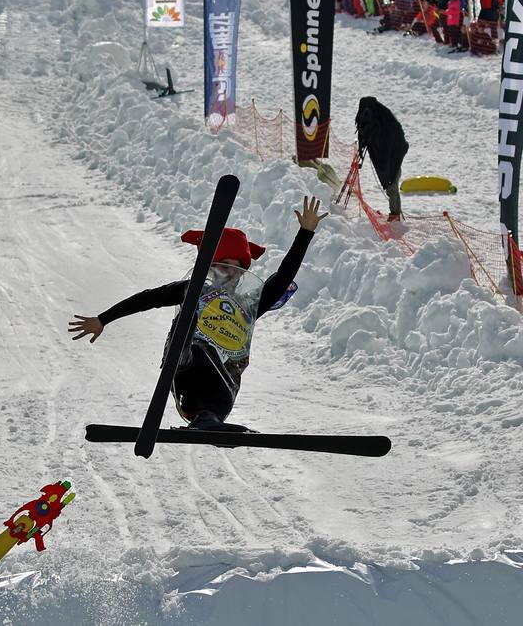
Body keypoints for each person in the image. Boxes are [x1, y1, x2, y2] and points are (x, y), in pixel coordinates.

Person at [68, 196, 328, 430]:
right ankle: (183, 349)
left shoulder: (248, 305)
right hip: (186, 366)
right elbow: (148, 298)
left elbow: (281, 279)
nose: (231, 274)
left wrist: (305, 233)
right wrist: (103, 319)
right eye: (225, 266)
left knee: (220, 390)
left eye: (237, 269)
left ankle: (209, 423)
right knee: (192, 316)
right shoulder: (192, 290)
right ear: (213, 266)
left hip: (220, 380)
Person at [355, 98, 408, 222]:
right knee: (392, 184)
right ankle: (395, 213)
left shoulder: (384, 123)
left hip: (393, 156)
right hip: (390, 156)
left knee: (392, 184)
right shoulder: (381, 119)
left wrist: (368, 136)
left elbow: (379, 136)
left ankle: (395, 214)